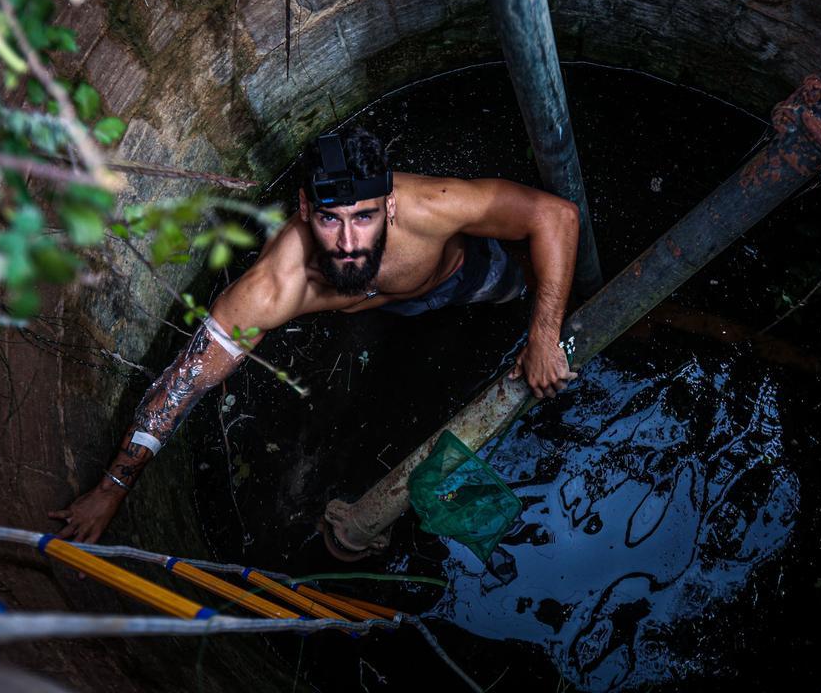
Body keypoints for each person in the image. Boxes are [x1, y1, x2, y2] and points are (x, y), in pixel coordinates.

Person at [49, 127, 581, 543]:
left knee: (528, 286)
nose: (349, 241)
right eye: (330, 219)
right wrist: (111, 489)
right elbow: (184, 384)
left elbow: (554, 217)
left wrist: (543, 334)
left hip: (463, 277)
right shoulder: (274, 285)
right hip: (387, 311)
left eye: (365, 217)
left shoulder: (431, 208)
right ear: (305, 209)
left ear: (389, 206)